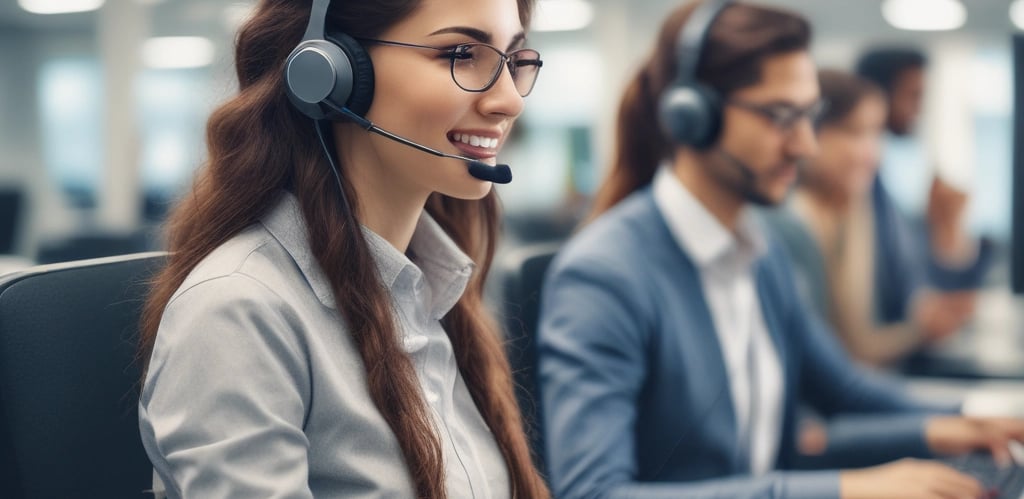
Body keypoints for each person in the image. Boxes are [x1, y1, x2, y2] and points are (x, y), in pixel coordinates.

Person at [537, 1, 1024, 498]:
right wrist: (843, 491)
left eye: (808, 116)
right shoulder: (606, 273)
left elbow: (843, 391)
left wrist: (965, 421)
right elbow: (593, 493)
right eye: (781, 116)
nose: (806, 145)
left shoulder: (759, 253)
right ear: (693, 115)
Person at [136, 0, 549, 497]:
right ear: (329, 71)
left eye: (512, 58)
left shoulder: (428, 288)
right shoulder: (237, 312)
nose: (509, 101)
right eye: (462, 53)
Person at [763, 70, 971, 367]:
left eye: (875, 134)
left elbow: (856, 341)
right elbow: (835, 360)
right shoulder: (786, 223)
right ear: (810, 132)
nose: (872, 154)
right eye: (854, 132)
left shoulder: (851, 209)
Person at [853, 48, 991, 352]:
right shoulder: (855, 188)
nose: (920, 109)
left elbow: (913, 284)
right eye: (914, 95)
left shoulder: (881, 190)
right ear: (880, 96)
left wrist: (947, 227)